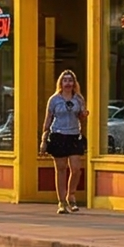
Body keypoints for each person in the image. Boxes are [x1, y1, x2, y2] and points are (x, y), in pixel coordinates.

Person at [44, 70, 87, 214]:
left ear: (74, 83)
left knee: (76, 169)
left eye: (70, 80)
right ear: (61, 83)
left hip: (74, 135)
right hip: (58, 135)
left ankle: (71, 195)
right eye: (65, 80)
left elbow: (82, 117)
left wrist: (83, 115)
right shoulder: (54, 99)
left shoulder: (79, 99)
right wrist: (44, 138)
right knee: (61, 169)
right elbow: (48, 118)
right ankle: (61, 201)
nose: (68, 83)